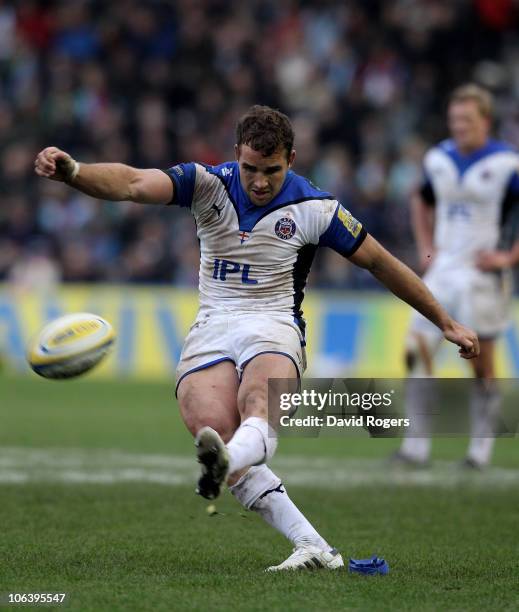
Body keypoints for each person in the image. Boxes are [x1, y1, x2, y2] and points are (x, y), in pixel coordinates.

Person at [35, 105, 479, 571]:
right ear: (236, 156)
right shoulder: (206, 183)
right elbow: (130, 183)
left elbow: (380, 263)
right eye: (251, 169)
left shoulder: (317, 208)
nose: (260, 181)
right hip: (212, 326)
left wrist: (444, 321)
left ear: (292, 157)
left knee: (257, 404)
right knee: (211, 426)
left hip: (273, 324)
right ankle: (313, 547)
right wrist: (75, 172)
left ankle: (228, 461)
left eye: (273, 170)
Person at [395, 84, 519, 469]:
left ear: (485, 120)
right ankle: (416, 447)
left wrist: (509, 257)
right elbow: (421, 198)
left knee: (480, 363)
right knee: (415, 351)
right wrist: (426, 248)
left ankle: (479, 449)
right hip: (443, 270)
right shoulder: (439, 159)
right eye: (454, 120)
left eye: (467, 119)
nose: (459, 127)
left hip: (482, 276)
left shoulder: (507, 164)